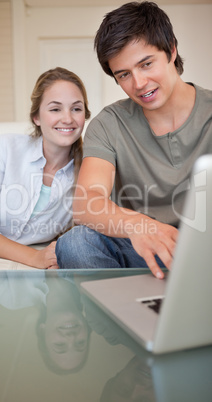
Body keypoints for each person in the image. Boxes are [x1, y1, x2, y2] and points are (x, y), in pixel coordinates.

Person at [56, 1, 212, 278]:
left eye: (146, 64)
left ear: (171, 51)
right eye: (124, 74)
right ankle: (122, 318)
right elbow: (86, 203)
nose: (139, 83)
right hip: (141, 251)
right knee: (76, 243)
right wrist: (140, 226)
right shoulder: (109, 123)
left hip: (203, 253)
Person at [0, 67, 91, 270]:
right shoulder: (7, 146)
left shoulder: (88, 172)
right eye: (55, 109)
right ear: (36, 117)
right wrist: (33, 258)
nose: (67, 118)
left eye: (76, 108)